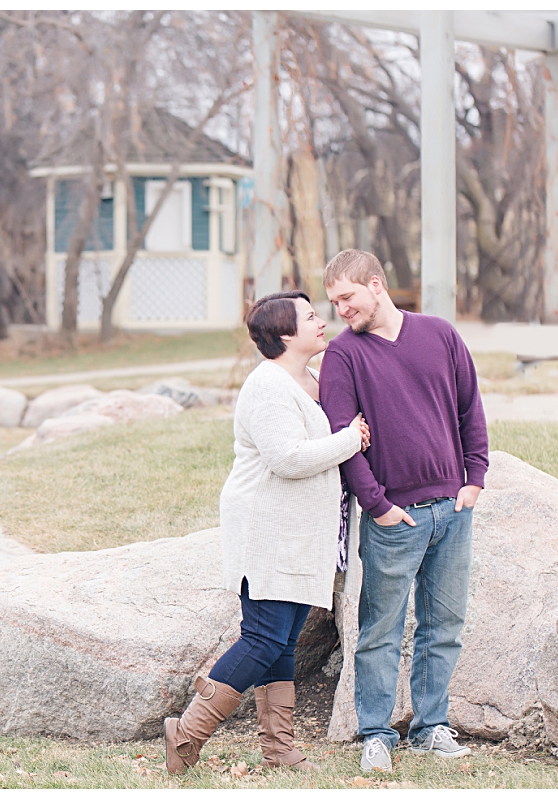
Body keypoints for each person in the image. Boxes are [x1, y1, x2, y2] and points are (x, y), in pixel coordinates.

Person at [163, 291, 370, 775]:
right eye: (311, 316)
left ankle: (279, 749)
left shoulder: (309, 381)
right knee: (262, 639)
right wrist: (350, 439)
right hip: (267, 531)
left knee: (283, 642)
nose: (322, 321)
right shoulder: (267, 386)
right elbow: (286, 457)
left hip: (299, 533)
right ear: (283, 335)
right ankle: (187, 733)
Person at [318, 249, 488, 773]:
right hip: (395, 518)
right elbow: (342, 439)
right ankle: (375, 733)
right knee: (380, 630)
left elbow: (469, 407)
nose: (341, 310)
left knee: (445, 625)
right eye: (333, 303)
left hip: (452, 510)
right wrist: (380, 506)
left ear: (376, 284)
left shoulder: (439, 334)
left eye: (347, 297)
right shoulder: (343, 357)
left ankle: (430, 726)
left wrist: (475, 478)